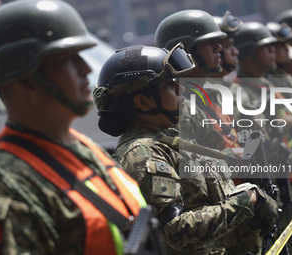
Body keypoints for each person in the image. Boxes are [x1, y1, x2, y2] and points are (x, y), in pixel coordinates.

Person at [0, 1, 146, 254]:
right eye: (68, 59)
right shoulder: (6, 185)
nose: (85, 69)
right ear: (28, 79)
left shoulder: (84, 146)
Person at [93, 43, 278, 255]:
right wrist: (247, 201)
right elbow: (176, 230)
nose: (180, 89)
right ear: (143, 102)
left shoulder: (169, 138)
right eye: (169, 86)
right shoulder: (144, 154)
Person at [233, 21, 292, 255]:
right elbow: (256, 139)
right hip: (277, 185)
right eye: (267, 48)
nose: (274, 52)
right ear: (250, 52)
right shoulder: (238, 92)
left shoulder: (267, 84)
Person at [155, 10, 243, 156]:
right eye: (208, 43)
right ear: (185, 50)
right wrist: (233, 156)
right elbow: (186, 167)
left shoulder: (210, 95)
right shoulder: (181, 107)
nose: (218, 48)